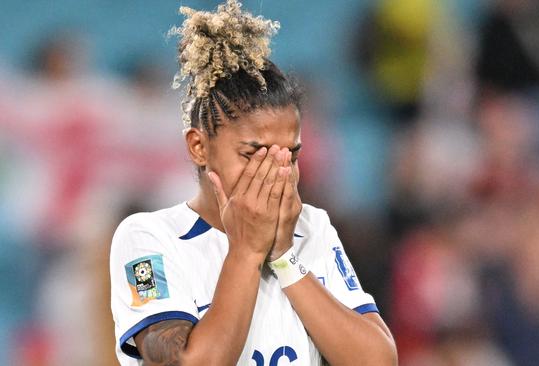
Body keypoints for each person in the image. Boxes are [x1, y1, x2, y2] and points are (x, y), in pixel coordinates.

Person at [109, 1, 398, 365]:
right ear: (199, 147)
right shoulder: (149, 237)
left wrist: (284, 257)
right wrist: (246, 253)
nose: (275, 172)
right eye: (253, 154)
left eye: (289, 155)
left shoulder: (312, 227)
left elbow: (377, 361)